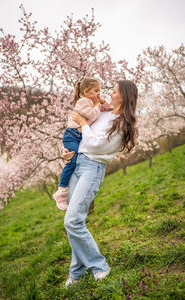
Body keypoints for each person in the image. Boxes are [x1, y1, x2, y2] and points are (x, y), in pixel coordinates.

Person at [62, 79, 138, 288]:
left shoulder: (123, 122)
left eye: (114, 92)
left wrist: (85, 123)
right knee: (74, 220)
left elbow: (95, 145)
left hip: (92, 168)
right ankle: (77, 273)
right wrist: (68, 151)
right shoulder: (103, 113)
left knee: (73, 221)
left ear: (124, 95)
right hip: (78, 163)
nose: (109, 95)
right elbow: (82, 139)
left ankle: (100, 266)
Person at [53, 77, 112, 210]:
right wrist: (98, 105)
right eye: (96, 91)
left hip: (79, 136)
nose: (99, 93)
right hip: (72, 136)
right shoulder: (83, 101)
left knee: (74, 161)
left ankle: (67, 193)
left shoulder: (92, 102)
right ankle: (61, 191)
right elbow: (91, 115)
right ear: (86, 92)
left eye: (99, 91)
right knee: (72, 162)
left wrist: (102, 101)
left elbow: (109, 109)